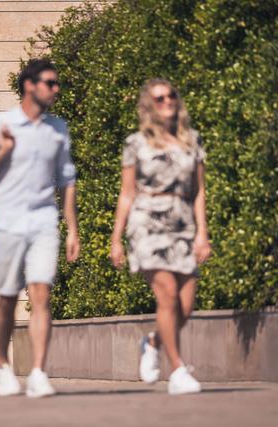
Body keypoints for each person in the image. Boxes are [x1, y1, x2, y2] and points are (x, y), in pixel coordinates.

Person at [0, 59, 80, 398]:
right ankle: (3, 365)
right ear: (30, 85)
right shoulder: (1, 124)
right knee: (8, 297)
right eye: (50, 83)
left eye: (57, 83)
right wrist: (2, 152)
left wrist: (72, 229)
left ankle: (39, 372)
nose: (56, 89)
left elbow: (67, 180)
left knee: (41, 293)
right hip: (8, 222)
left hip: (43, 221)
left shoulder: (58, 128)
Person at [110, 78, 211, 395]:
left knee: (185, 306)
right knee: (166, 294)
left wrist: (202, 233)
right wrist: (116, 238)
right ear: (148, 106)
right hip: (146, 222)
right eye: (159, 98)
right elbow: (127, 193)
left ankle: (152, 341)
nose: (167, 101)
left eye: (171, 96)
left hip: (182, 222)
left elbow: (199, 192)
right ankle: (178, 370)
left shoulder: (192, 141)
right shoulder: (136, 143)